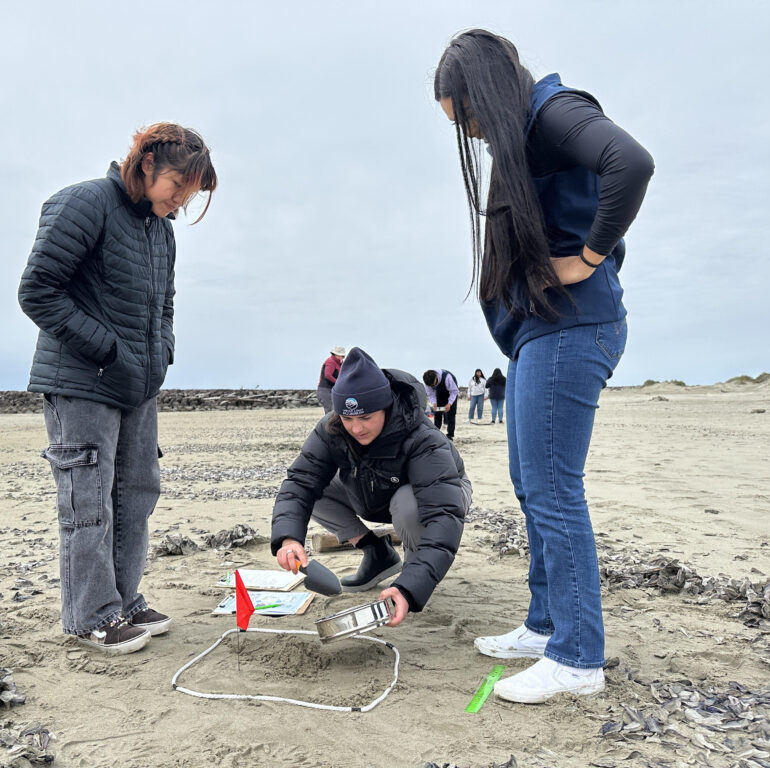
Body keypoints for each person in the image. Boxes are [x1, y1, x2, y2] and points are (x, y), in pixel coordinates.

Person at [435, 30, 654, 702]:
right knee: (530, 484)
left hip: (574, 327)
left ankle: (578, 657)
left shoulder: (555, 113)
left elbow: (631, 163)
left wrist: (587, 258)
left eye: (469, 116)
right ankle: (546, 623)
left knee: (556, 489)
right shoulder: (525, 134)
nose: (472, 133)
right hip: (540, 334)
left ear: (490, 93)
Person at [18, 123, 217, 655]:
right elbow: (37, 292)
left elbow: (165, 304)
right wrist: (108, 349)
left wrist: (162, 352)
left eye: (190, 195)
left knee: (137, 492)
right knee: (89, 498)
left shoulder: (161, 230)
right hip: (82, 381)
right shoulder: (83, 203)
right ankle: (90, 615)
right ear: (147, 162)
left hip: (139, 384)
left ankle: (124, 600)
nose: (180, 202)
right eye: (178, 186)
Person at [271, 348, 472, 627]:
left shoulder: (422, 438)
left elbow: (443, 516)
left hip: (433, 494)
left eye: (366, 417)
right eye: (348, 418)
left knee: (408, 504)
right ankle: (377, 553)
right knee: (316, 490)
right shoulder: (331, 427)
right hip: (372, 489)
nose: (356, 428)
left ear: (386, 406)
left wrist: (409, 587)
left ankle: (411, 576)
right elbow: (299, 483)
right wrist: (288, 539)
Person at [422, 369, 460, 439]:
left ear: (436, 377)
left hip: (451, 391)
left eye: (434, 383)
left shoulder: (447, 378)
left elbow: (454, 391)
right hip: (440, 392)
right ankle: (436, 433)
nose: (433, 385)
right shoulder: (428, 382)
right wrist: (434, 403)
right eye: (431, 385)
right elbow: (430, 394)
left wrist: (449, 403)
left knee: (451, 414)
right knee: (437, 412)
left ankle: (450, 435)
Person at [316, 346, 346, 413]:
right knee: (330, 412)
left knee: (335, 411)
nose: (343, 358)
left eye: (344, 356)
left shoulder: (340, 364)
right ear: (336, 355)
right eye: (342, 356)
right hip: (325, 390)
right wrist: (338, 383)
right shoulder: (330, 361)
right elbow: (328, 375)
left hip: (332, 390)